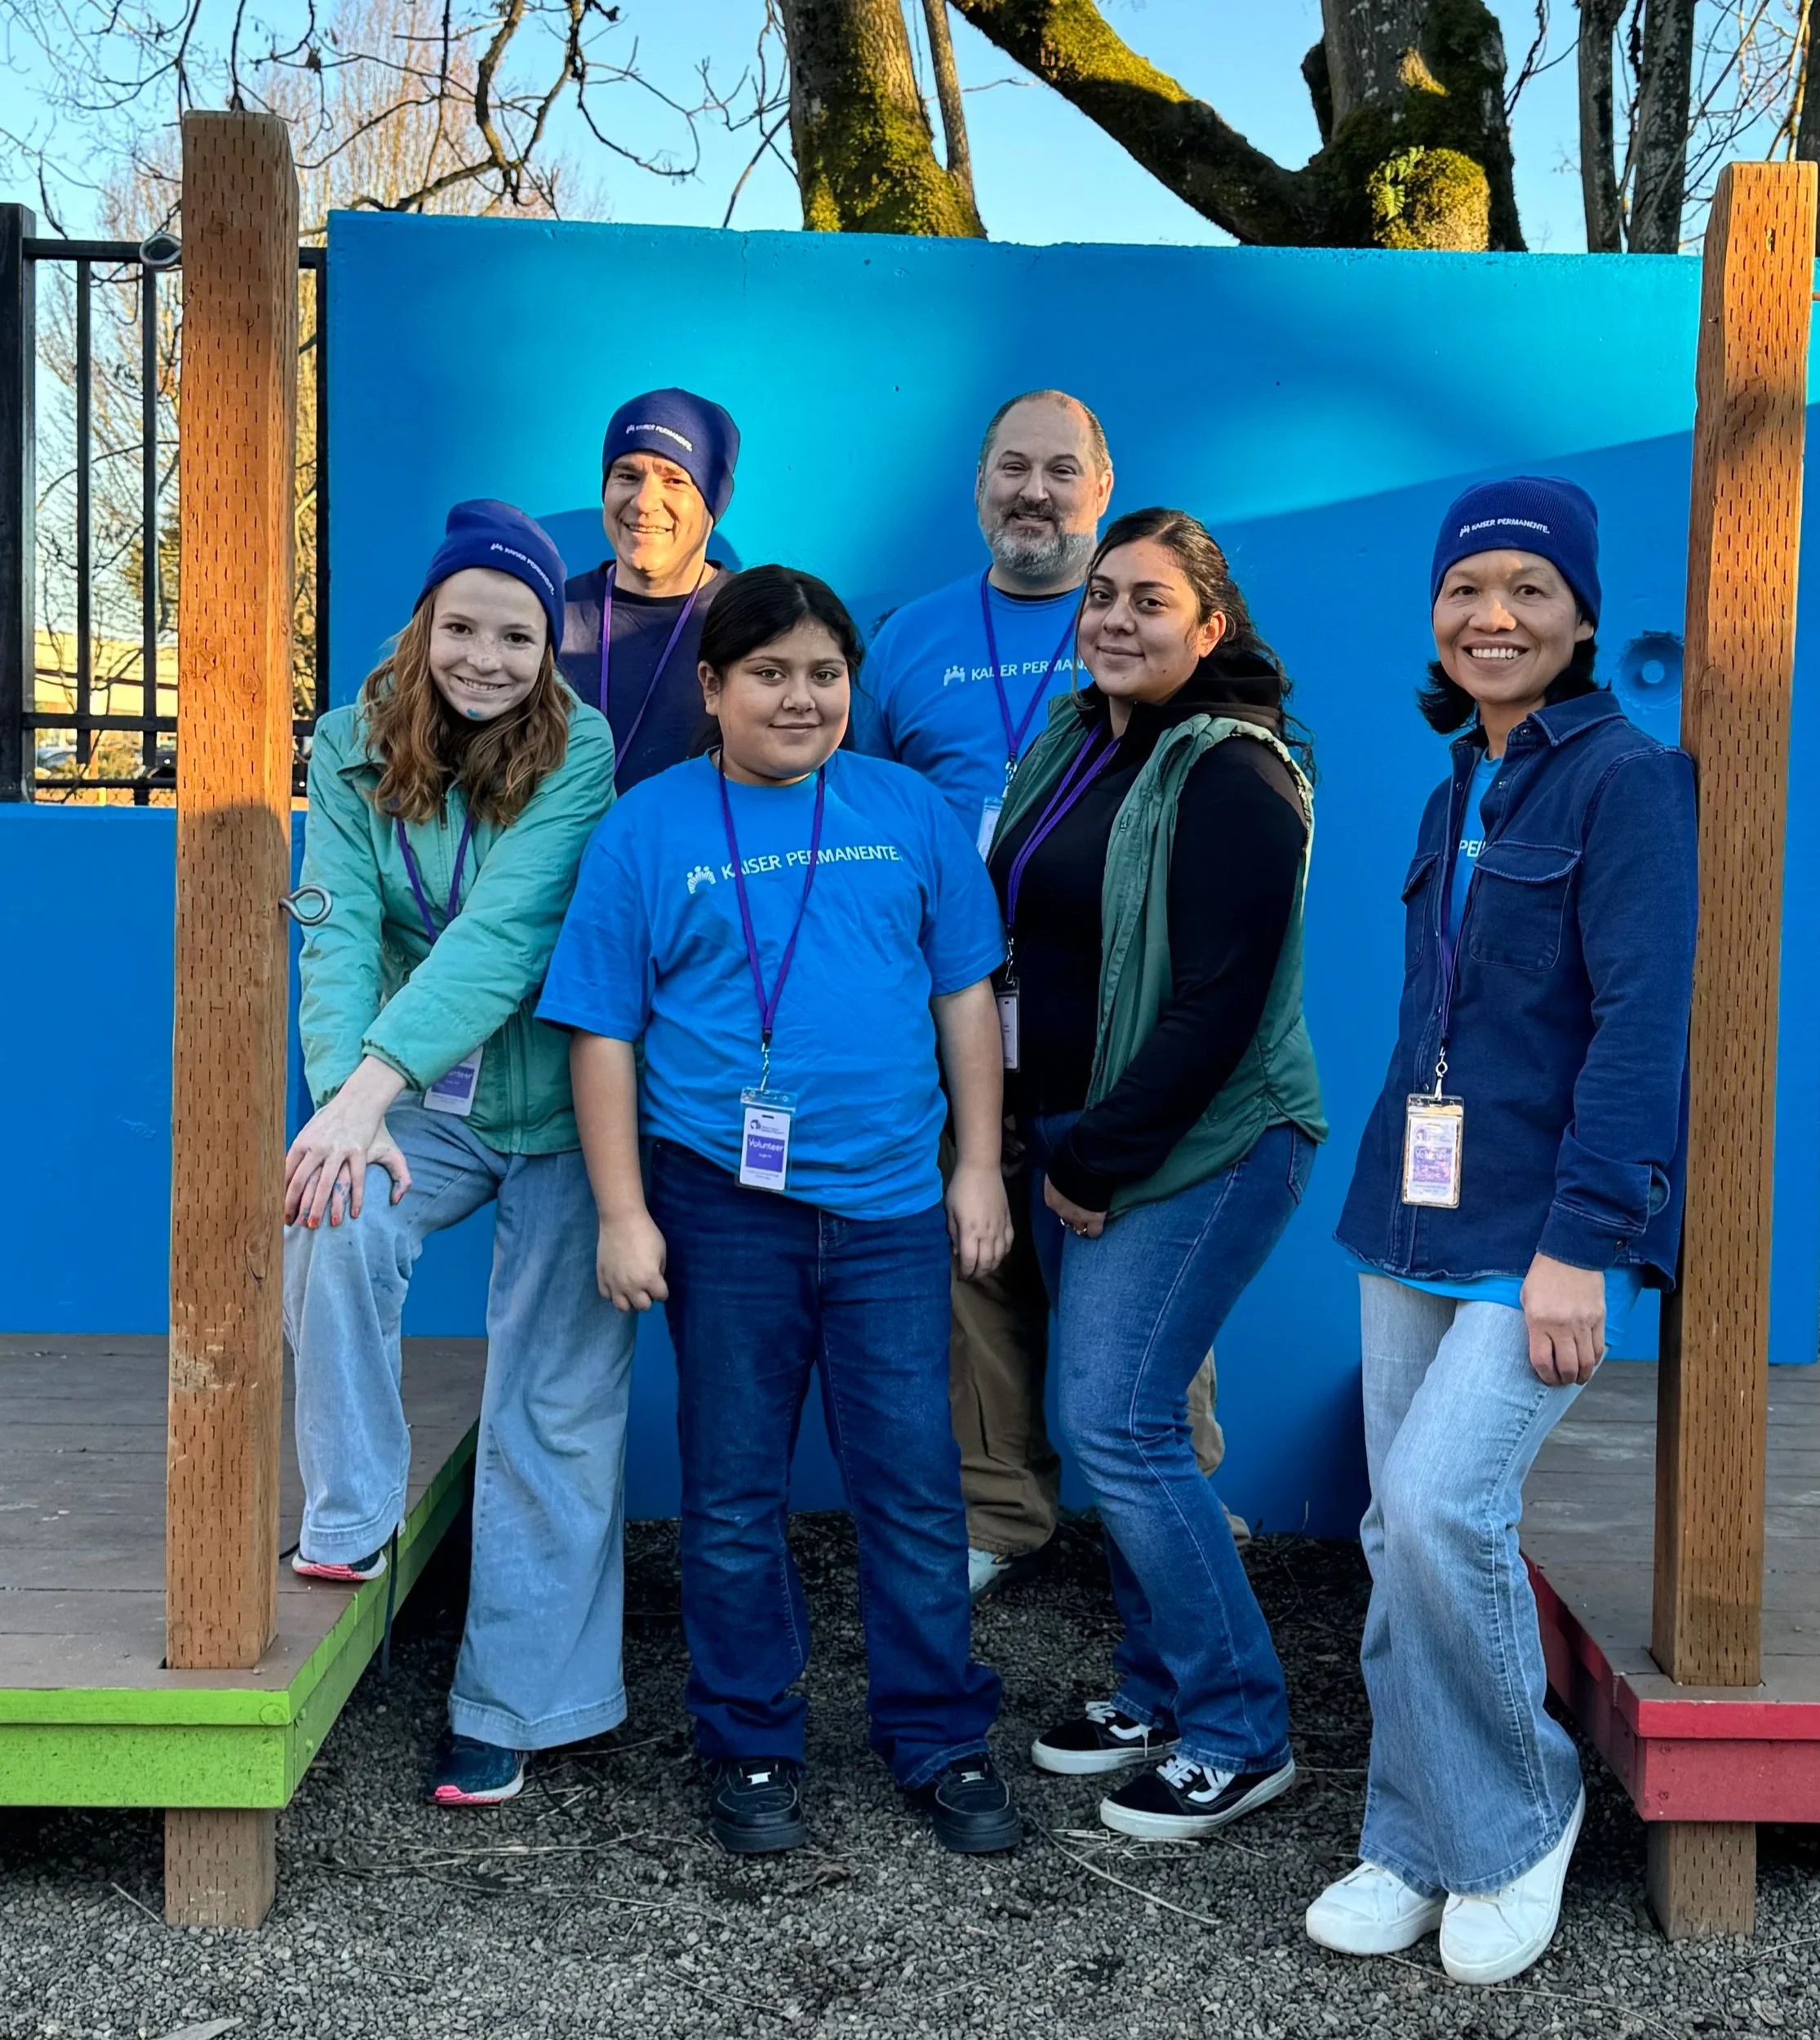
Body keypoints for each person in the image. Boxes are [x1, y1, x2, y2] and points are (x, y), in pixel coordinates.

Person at [539, 565, 1023, 1859]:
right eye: (770, 673)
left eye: (824, 673)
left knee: (914, 1489)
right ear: (711, 687)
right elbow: (602, 1033)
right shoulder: (647, 829)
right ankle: (750, 1744)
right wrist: (622, 1213)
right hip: (719, 1211)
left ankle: (938, 1739)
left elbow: (965, 999)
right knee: (733, 1495)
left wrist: (976, 1170)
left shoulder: (908, 811)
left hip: (888, 1214)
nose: (802, 698)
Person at [1313, 478, 1697, 1985]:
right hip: (1416, 1207)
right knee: (1387, 1529)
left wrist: (1583, 1245)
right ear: (1436, 616)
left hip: (1539, 1227)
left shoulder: (1630, 783)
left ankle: (1523, 1814)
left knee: (1440, 1512)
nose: (1496, 617)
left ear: (1584, 616)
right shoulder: (1454, 789)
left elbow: (1643, 1030)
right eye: (1469, 590)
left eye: (1532, 591)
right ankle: (1416, 1834)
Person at [857, 389, 1234, 1599]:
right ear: (979, 488)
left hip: (1116, 1008)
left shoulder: (1143, 630)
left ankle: (1164, 1500)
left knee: (1138, 1239)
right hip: (953, 1007)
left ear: (1102, 486)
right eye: (1012, 468)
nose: (1035, 491)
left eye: (1062, 471)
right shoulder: (909, 639)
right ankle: (1000, 1507)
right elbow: (861, 815)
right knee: (975, 1256)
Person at [286, 500, 632, 1808]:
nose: (485, 658)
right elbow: (332, 931)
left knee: (554, 1401)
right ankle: (354, 1511)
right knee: (330, 1217)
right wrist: (343, 1108)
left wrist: (371, 1082)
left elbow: (505, 936)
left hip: (563, 1107)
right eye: (464, 626)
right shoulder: (347, 744)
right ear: (425, 621)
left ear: (552, 647)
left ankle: (517, 1703)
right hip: (418, 1101)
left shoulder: (581, 750)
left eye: (518, 635)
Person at [988, 508, 1325, 1840]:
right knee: (1112, 1426)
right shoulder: (1080, 741)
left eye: (1150, 603)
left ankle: (1243, 1728)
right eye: (1103, 597)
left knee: (1119, 1427)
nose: (1117, 620)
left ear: (1212, 628)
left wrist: (1093, 1158)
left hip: (1201, 1144)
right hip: (1077, 1135)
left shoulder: (1236, 775)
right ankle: (1155, 1685)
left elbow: (1218, 1009)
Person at [557, 387, 740, 792]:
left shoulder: (758, 621)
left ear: (713, 504)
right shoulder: (547, 614)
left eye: (674, 479)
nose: (644, 502)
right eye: (627, 475)